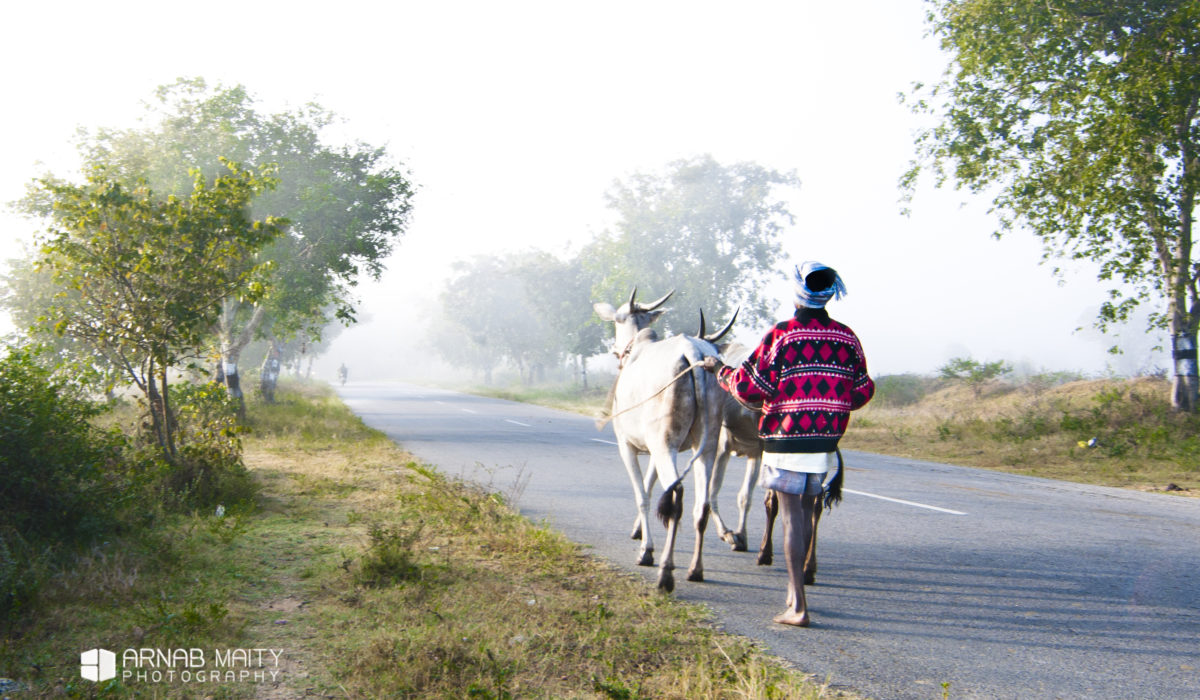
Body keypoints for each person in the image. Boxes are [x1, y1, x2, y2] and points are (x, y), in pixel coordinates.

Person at [701, 260, 874, 627]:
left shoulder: (783, 334)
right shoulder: (847, 337)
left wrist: (719, 371)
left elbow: (751, 389)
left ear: (797, 292)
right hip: (825, 441)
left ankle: (798, 607)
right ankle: (794, 594)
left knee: (791, 517)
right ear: (829, 293)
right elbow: (862, 390)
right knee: (807, 511)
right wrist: (831, 401)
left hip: (786, 439)